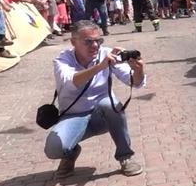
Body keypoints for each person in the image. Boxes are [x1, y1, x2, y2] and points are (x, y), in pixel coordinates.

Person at [46, 20, 146, 177]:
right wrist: (100, 66)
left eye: (98, 40)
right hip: (75, 115)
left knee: (111, 104)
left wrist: (138, 70)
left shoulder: (107, 54)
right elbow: (72, 81)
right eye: (88, 42)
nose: (95, 46)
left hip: (103, 116)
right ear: (73, 42)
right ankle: (69, 153)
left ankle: (125, 156)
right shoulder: (63, 59)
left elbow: (135, 82)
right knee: (54, 149)